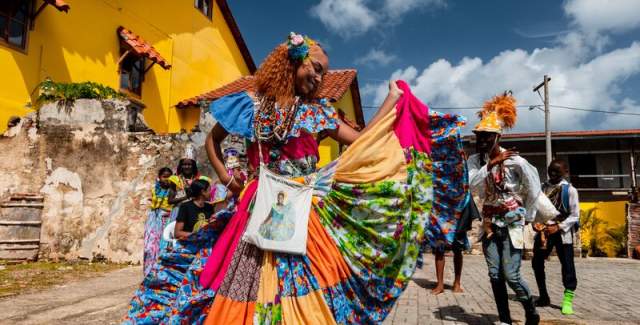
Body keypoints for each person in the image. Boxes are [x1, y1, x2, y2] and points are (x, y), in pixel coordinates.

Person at [124, 32, 468, 324]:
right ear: (293, 61)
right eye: (315, 69)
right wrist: (231, 182)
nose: (319, 79)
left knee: (305, 279)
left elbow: (361, 142)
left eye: (323, 74)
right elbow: (212, 141)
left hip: (303, 207)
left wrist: (392, 100)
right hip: (255, 207)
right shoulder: (249, 106)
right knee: (242, 284)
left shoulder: (317, 112)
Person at [468, 92, 557, 325]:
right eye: (479, 137)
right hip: (489, 224)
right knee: (495, 274)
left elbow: (534, 186)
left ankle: (530, 309)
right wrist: (491, 165)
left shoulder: (516, 161)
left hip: (512, 223)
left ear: (497, 136)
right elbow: (472, 186)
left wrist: (527, 216)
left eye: (487, 137)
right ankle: (505, 319)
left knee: (512, 275)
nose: (482, 141)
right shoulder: (475, 163)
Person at [532, 159, 579, 315]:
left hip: (563, 234)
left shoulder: (570, 191)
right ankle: (543, 296)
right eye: (550, 170)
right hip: (544, 232)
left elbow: (575, 215)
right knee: (537, 262)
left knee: (567, 266)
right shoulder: (542, 188)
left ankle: (567, 299)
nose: (552, 173)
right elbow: (536, 208)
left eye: (557, 171)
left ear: (565, 172)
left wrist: (558, 226)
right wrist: (536, 223)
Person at [143, 167, 175, 276]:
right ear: (159, 178)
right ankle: (149, 271)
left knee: (164, 246)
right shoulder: (155, 189)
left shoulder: (173, 190)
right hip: (154, 219)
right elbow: (155, 204)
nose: (167, 179)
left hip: (167, 219)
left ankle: (161, 272)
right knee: (150, 246)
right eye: (164, 177)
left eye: (169, 177)